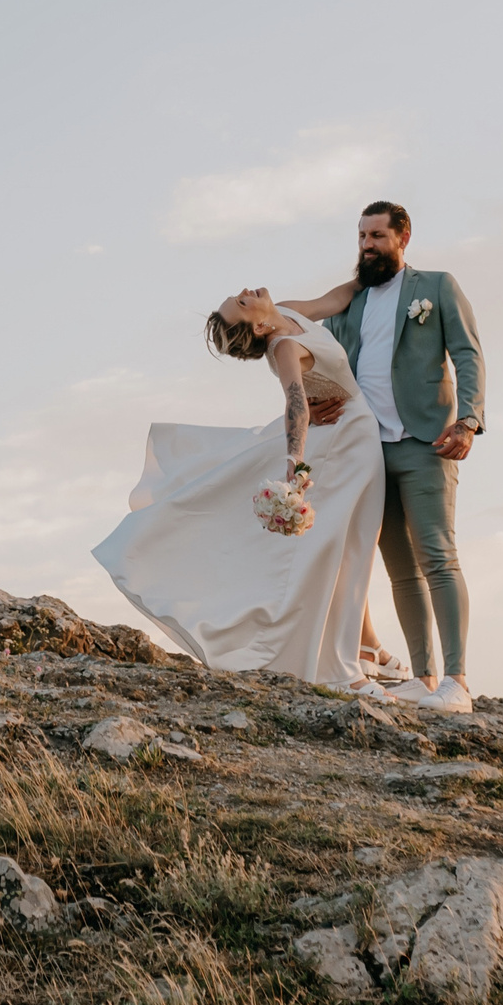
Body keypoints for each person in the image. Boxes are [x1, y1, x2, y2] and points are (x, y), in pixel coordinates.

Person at [91, 285, 393, 699]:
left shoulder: (287, 311)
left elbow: (334, 301)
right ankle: (343, 667)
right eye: (240, 303)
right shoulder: (284, 347)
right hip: (344, 444)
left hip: (357, 431)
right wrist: (295, 465)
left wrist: (372, 268)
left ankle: (362, 647)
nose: (244, 293)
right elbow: (297, 405)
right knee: (346, 549)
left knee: (358, 544)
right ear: (255, 324)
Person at [290, 201, 485, 715]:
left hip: (426, 441)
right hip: (367, 451)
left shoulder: (437, 287)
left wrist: (468, 419)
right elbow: (327, 360)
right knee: (399, 569)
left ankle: (458, 681)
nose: (367, 245)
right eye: (361, 236)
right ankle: (423, 678)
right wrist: (315, 396)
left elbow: (467, 353)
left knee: (438, 559)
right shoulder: (349, 304)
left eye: (377, 235)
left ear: (403, 236)